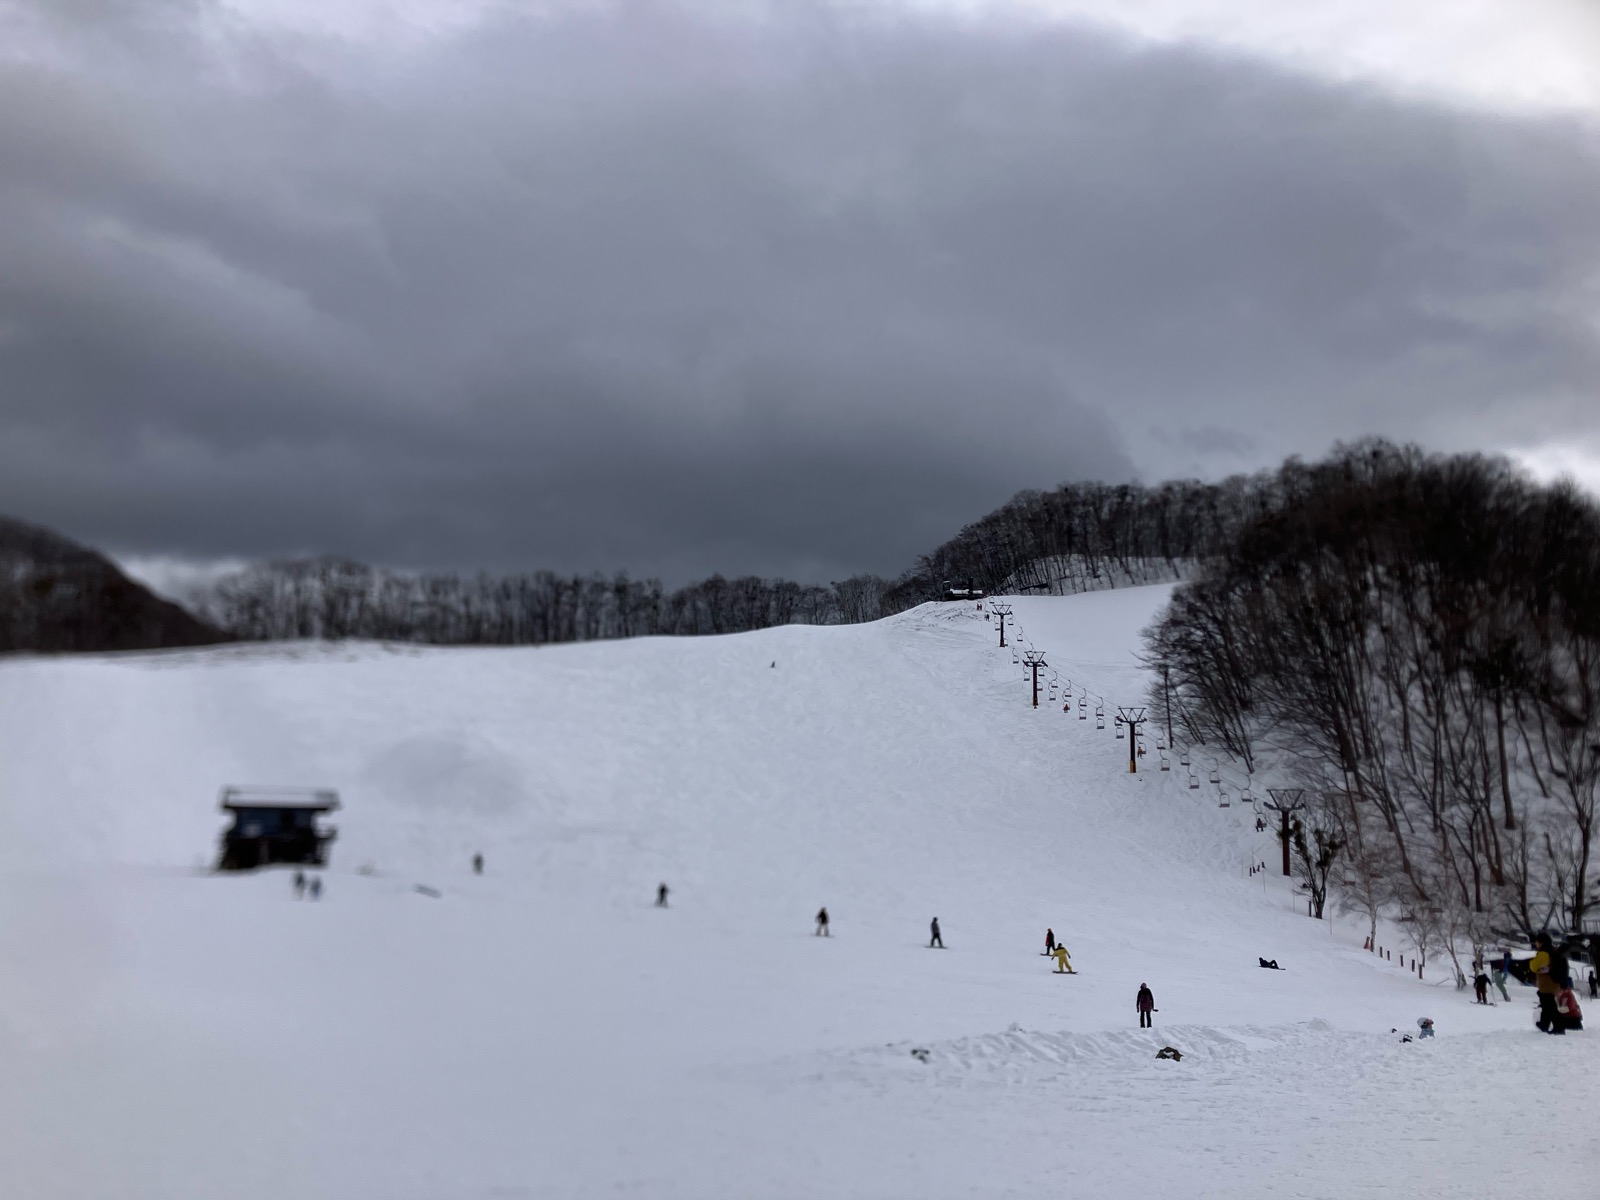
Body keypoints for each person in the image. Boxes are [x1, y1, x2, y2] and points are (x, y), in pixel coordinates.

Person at [1530, 935, 1562, 1034]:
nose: (1536, 944)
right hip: (1553, 983)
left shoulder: (1544, 954)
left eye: (1537, 942)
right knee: (1546, 1004)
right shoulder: (1553, 952)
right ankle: (1544, 1023)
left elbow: (1533, 966)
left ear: (1541, 943)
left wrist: (1533, 962)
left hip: (1547, 983)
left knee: (1549, 1005)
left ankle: (1559, 1027)